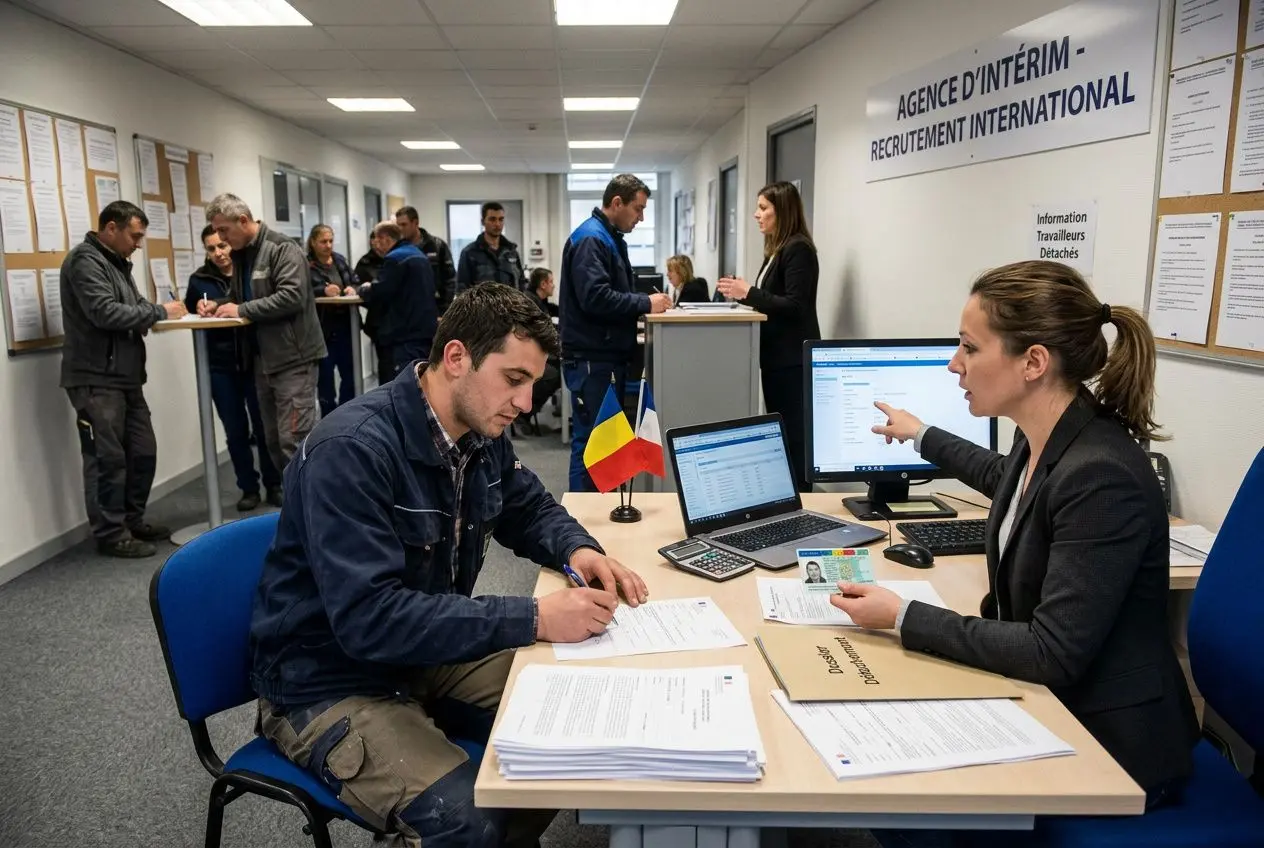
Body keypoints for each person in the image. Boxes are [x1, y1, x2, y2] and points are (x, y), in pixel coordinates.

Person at [250, 284, 650, 848]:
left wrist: (578, 550)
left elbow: (527, 504)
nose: (526, 403)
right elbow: (371, 620)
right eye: (514, 380)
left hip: (421, 651)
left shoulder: (478, 430)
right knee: (468, 818)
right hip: (327, 680)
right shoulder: (353, 451)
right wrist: (532, 619)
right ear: (457, 357)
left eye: (533, 383)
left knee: (576, 728)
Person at [831, 261, 1199, 833]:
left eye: (969, 348)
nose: (955, 363)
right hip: (1054, 697)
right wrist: (921, 433)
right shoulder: (1050, 437)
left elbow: (1051, 652)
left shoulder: (1101, 474)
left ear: (1033, 362)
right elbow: (1001, 475)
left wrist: (902, 615)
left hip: (1109, 740)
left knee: (900, 798)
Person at [60, 200, 186, 558]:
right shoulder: (85, 261)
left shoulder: (116, 264)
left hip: (126, 377)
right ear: (110, 228)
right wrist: (160, 311)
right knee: (107, 458)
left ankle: (133, 520)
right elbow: (104, 312)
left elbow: (133, 306)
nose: (138, 243)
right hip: (95, 379)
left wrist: (152, 311)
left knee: (143, 452)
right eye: (135, 235)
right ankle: (111, 534)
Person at [559, 174, 672, 491]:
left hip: (604, 357)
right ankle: (583, 521)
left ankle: (600, 512)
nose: (641, 217)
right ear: (617, 203)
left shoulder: (606, 238)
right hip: (592, 359)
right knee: (592, 445)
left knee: (605, 443)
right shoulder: (592, 239)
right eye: (638, 209)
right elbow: (595, 297)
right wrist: (645, 302)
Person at [204, 193, 326, 475]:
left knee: (295, 441)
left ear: (243, 220)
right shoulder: (242, 255)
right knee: (272, 440)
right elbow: (240, 298)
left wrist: (241, 308)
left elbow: (292, 296)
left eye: (224, 230)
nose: (220, 237)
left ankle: (311, 508)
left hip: (294, 359)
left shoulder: (282, 248)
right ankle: (293, 506)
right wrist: (219, 304)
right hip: (263, 361)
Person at [717, 181, 820, 492]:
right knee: (782, 429)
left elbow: (796, 305)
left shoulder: (798, 248)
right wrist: (747, 296)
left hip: (792, 360)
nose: (756, 214)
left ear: (783, 211)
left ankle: (802, 495)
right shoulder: (776, 250)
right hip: (776, 359)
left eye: (763, 208)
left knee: (795, 434)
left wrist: (748, 292)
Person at [184, 225, 281, 511]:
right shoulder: (198, 281)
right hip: (219, 365)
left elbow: (258, 304)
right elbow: (193, 314)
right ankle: (247, 487)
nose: (218, 253)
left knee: (265, 427)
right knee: (235, 430)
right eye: (211, 248)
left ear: (230, 244)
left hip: (254, 360)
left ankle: (273, 484)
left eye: (221, 246)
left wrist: (226, 304)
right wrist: (202, 309)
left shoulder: (248, 273)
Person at [358, 220, 437, 385]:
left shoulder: (394, 259)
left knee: (396, 387)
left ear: (386, 239)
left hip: (401, 336)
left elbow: (380, 292)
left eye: (377, 241)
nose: (375, 246)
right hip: (422, 332)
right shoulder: (418, 254)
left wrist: (364, 289)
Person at [306, 224, 358, 418]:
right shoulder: (306, 264)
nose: (328, 245)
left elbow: (354, 280)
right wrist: (322, 290)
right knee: (325, 382)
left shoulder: (339, 260)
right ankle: (329, 419)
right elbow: (301, 291)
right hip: (322, 331)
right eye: (323, 241)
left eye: (330, 241)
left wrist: (353, 288)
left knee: (350, 378)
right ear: (313, 242)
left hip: (345, 327)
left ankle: (346, 415)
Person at [456, 201, 528, 294]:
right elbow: (462, 289)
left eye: (501, 219)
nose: (497, 224)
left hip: (510, 307)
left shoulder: (511, 252)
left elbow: (521, 283)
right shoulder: (470, 253)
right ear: (483, 222)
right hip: (483, 308)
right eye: (492, 219)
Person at [396, 205, 456, 313]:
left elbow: (450, 279)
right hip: (406, 311)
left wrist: (445, 309)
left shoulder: (437, 245)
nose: (400, 229)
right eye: (398, 225)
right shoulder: (397, 249)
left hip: (434, 307)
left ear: (415, 223)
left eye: (404, 225)